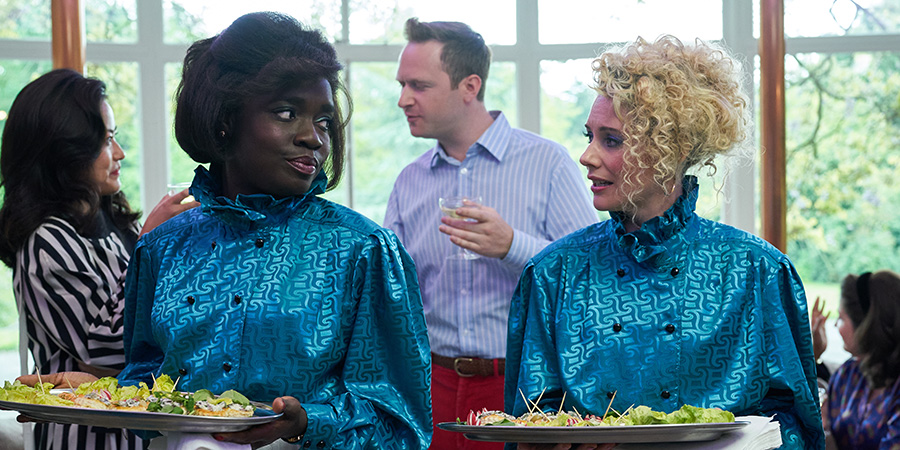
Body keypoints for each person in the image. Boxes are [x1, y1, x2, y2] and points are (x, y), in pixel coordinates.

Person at [19, 12, 432, 449]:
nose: (314, 137)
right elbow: (148, 386)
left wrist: (307, 422)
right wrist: (104, 395)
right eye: (288, 112)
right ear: (225, 121)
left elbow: (402, 422)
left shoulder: (364, 250)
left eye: (324, 120)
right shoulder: (162, 248)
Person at [504, 35, 825, 449]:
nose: (587, 156)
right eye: (590, 136)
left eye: (612, 140)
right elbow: (529, 420)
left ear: (669, 150)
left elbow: (795, 426)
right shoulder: (553, 274)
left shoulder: (755, 270)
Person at [383, 17, 598, 450]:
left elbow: (590, 277)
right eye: (402, 84)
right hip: (430, 389)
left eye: (419, 86)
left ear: (469, 86)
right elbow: (392, 295)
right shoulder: (408, 181)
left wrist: (512, 246)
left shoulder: (549, 163)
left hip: (525, 393)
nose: (403, 99)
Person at [0, 69, 197, 449]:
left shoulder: (116, 224)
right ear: (66, 152)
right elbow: (106, 349)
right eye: (106, 141)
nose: (119, 153)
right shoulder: (47, 242)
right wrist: (150, 244)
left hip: (133, 431)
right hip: (84, 439)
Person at [822, 271, 900, 449]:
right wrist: (823, 429)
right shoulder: (846, 374)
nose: (835, 325)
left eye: (841, 318)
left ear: (865, 324)